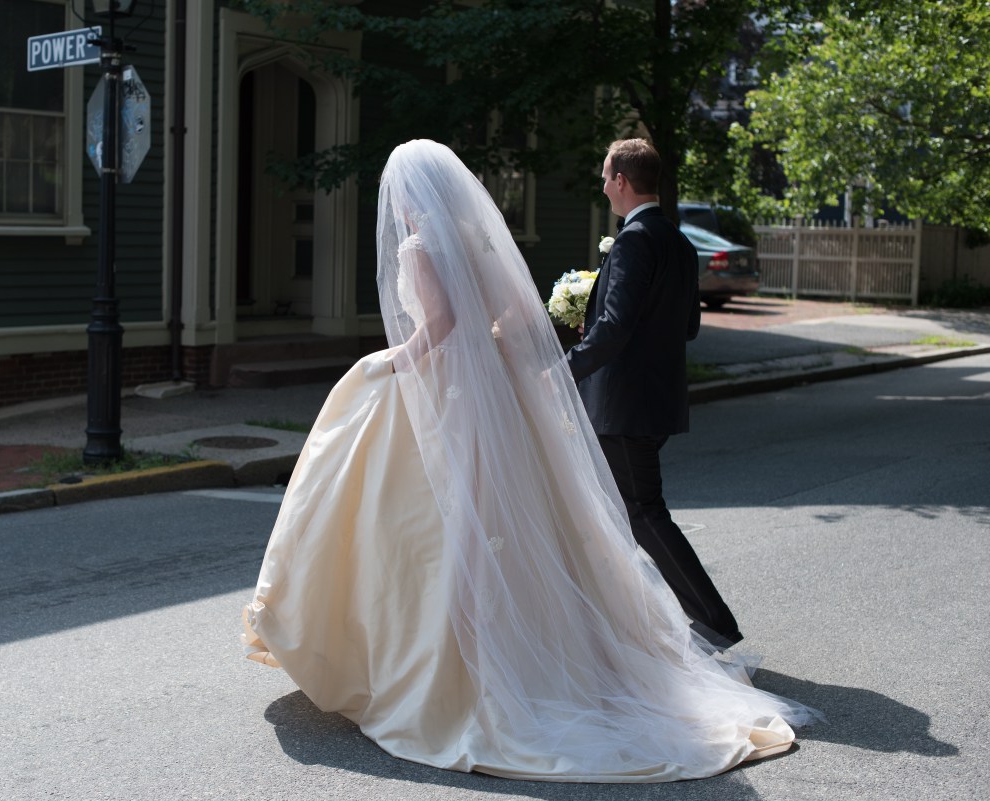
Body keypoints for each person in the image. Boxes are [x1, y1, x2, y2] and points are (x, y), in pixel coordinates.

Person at [243, 139, 814, 782]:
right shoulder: (477, 239)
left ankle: (443, 662)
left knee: (429, 523)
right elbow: (513, 314)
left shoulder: (423, 245)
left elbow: (441, 323)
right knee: (518, 519)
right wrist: (504, 366)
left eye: (398, 195)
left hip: (447, 394)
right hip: (491, 396)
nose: (396, 207)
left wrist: (393, 362)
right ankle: (566, 643)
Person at [567, 138, 743, 649]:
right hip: (656, 399)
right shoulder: (679, 242)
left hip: (623, 403)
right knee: (615, 513)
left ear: (622, 181)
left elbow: (615, 327)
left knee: (642, 512)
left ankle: (715, 622)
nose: (602, 186)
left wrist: (563, 369)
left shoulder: (633, 241)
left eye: (605, 177)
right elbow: (687, 326)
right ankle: (611, 624)